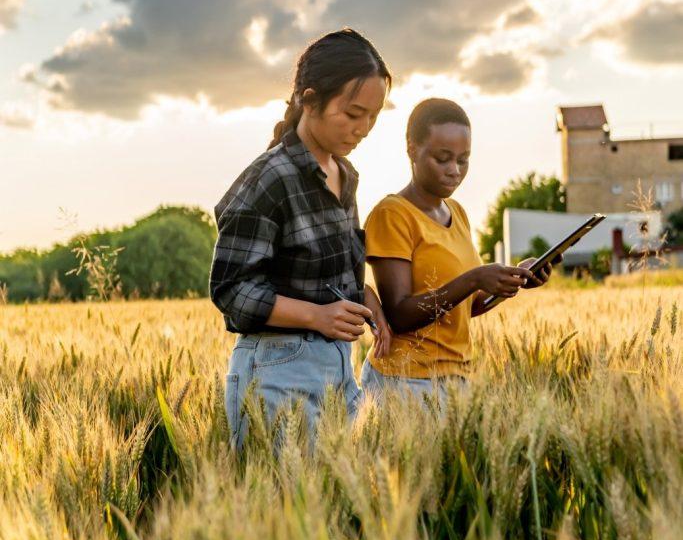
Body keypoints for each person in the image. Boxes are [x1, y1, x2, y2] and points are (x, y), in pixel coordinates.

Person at [210, 29, 392, 449]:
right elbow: (231, 289)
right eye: (352, 114)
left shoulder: (345, 175)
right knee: (281, 509)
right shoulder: (270, 176)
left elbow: (316, 269)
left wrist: (362, 293)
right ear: (308, 100)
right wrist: (316, 316)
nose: (362, 128)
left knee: (329, 510)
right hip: (278, 369)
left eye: (373, 117)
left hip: (339, 367)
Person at [360, 98, 554, 399]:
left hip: (455, 380)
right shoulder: (393, 214)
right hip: (405, 381)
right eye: (443, 158)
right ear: (412, 149)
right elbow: (398, 314)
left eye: (463, 159)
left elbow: (468, 306)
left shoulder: (458, 213)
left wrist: (510, 281)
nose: (454, 170)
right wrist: (474, 278)